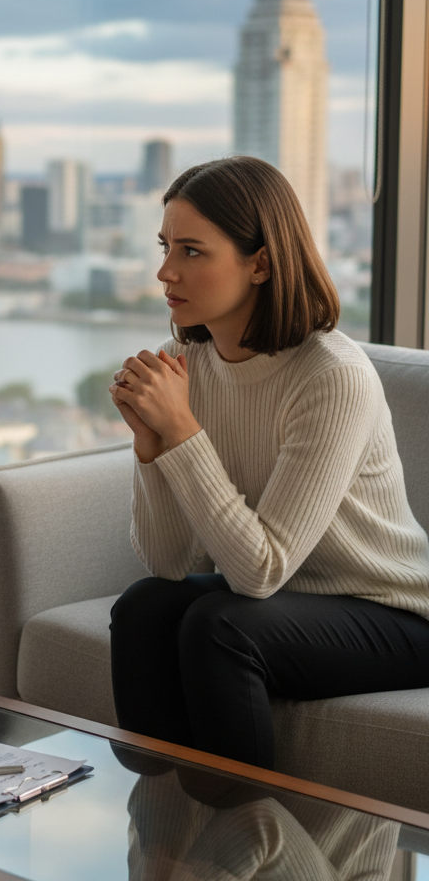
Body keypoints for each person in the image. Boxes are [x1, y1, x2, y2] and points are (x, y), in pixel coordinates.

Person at [107, 155, 429, 771]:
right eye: (165, 245)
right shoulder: (190, 363)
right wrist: (152, 451)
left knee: (221, 625)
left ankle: (244, 842)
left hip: (393, 612)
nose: (164, 270)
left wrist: (181, 432)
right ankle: (164, 818)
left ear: (260, 263)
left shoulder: (331, 376)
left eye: (192, 251)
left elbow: (261, 572)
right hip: (288, 601)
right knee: (144, 605)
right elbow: (168, 563)